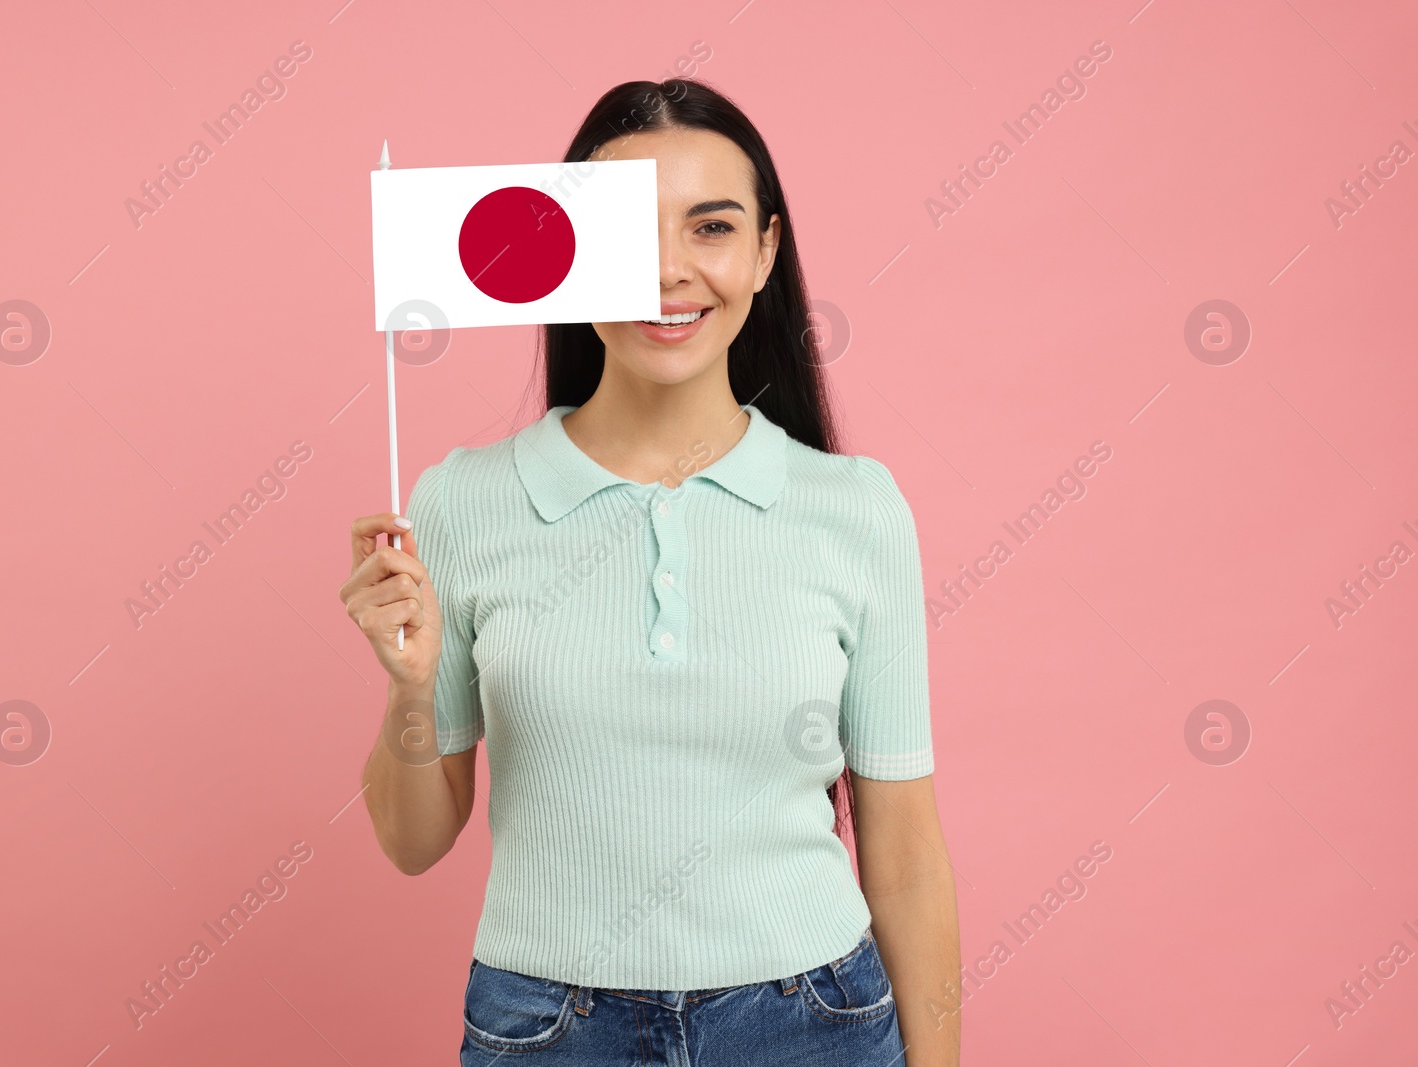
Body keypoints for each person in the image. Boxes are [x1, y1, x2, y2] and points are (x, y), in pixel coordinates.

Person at [342, 77, 960, 1066]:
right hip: (547, 1030)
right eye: (624, 233)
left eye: (709, 227)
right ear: (558, 254)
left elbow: (905, 849)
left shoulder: (855, 509)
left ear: (764, 249)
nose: (668, 272)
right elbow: (413, 841)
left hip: (813, 1024)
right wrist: (408, 689)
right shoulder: (460, 502)